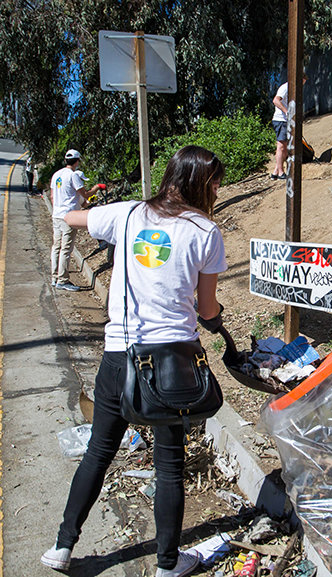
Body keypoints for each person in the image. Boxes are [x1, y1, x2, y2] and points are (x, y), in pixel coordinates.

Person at [41, 145, 228, 577]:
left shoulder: (126, 214)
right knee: (169, 463)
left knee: (98, 451)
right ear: (199, 183)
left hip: (118, 355)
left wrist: (71, 204)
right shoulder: (206, 232)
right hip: (172, 363)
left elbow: (70, 217)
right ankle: (168, 564)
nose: (217, 190)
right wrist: (217, 318)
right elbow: (206, 308)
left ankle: (62, 547)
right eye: (215, 183)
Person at [50, 149, 102, 291]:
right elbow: (85, 194)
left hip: (57, 215)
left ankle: (54, 277)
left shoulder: (56, 175)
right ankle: (62, 280)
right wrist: (97, 188)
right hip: (69, 216)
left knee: (56, 247)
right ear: (77, 161)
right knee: (66, 249)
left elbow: (52, 196)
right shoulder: (73, 176)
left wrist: (57, 209)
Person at [270, 74, 306, 180]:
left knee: (285, 146)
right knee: (281, 146)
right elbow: (276, 100)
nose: (301, 86)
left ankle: (276, 171)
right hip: (281, 120)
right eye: (301, 83)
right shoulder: (285, 87)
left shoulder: (292, 89)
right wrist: (286, 112)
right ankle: (281, 172)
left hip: (286, 121)